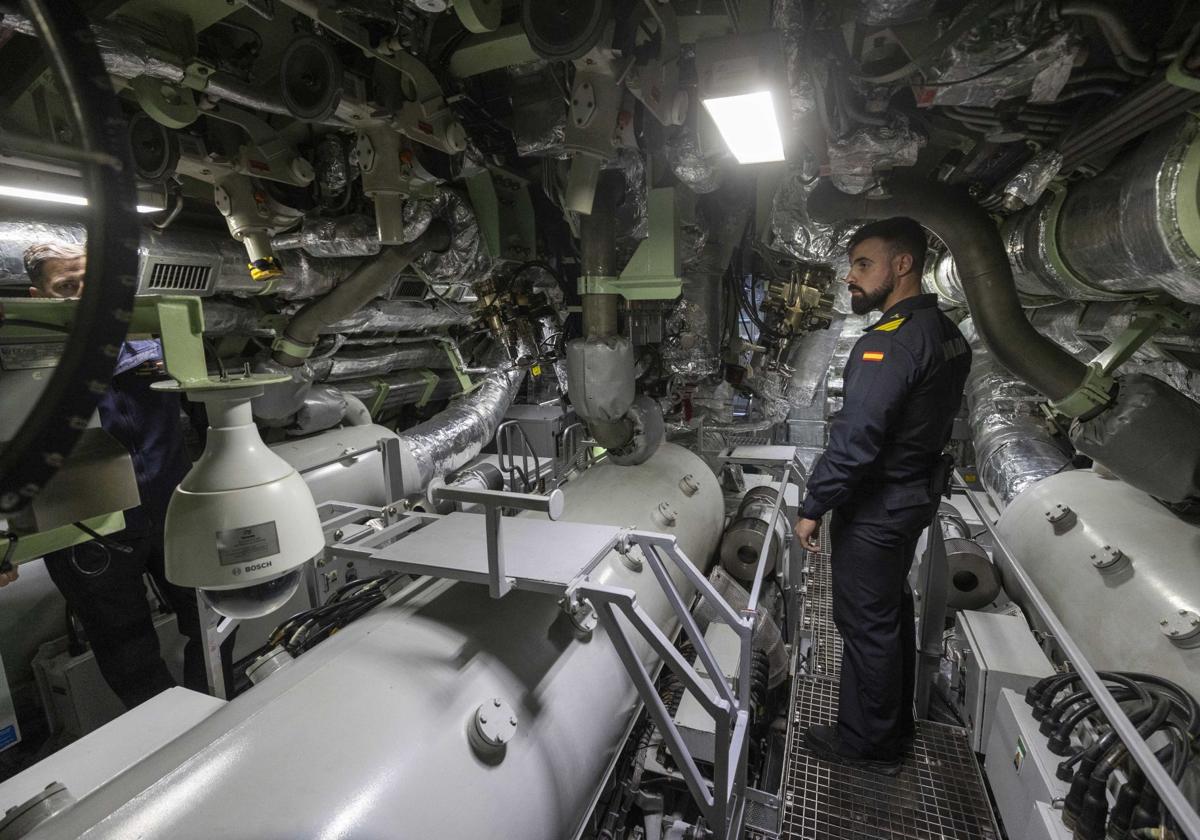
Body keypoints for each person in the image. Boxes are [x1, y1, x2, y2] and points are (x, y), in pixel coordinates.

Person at [794, 217, 971, 775]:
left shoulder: (887, 344)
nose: (851, 276)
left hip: (876, 509)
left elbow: (856, 441)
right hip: (911, 499)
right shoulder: (946, 334)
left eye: (863, 264)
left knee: (865, 624)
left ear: (902, 265)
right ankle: (892, 728)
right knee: (890, 614)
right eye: (851, 265)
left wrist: (812, 505)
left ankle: (868, 745)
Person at [14, 241, 209, 708]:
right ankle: (169, 732)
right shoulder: (24, 362)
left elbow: (204, 412)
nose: (83, 295)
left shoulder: (152, 334)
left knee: (210, 613)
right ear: (38, 296)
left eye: (91, 282)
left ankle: (213, 702)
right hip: (85, 528)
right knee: (126, 649)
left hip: (172, 509)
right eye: (66, 287)